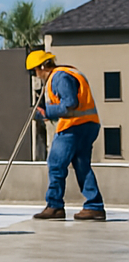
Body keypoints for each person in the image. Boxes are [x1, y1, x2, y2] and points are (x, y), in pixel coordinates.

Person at [27, 50, 106, 220]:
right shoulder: (69, 72)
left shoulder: (59, 77)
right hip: (89, 124)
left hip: (74, 127)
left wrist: (45, 112)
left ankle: (54, 206)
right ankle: (94, 206)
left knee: (56, 163)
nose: (36, 75)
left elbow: (70, 104)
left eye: (35, 70)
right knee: (82, 165)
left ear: (42, 67)